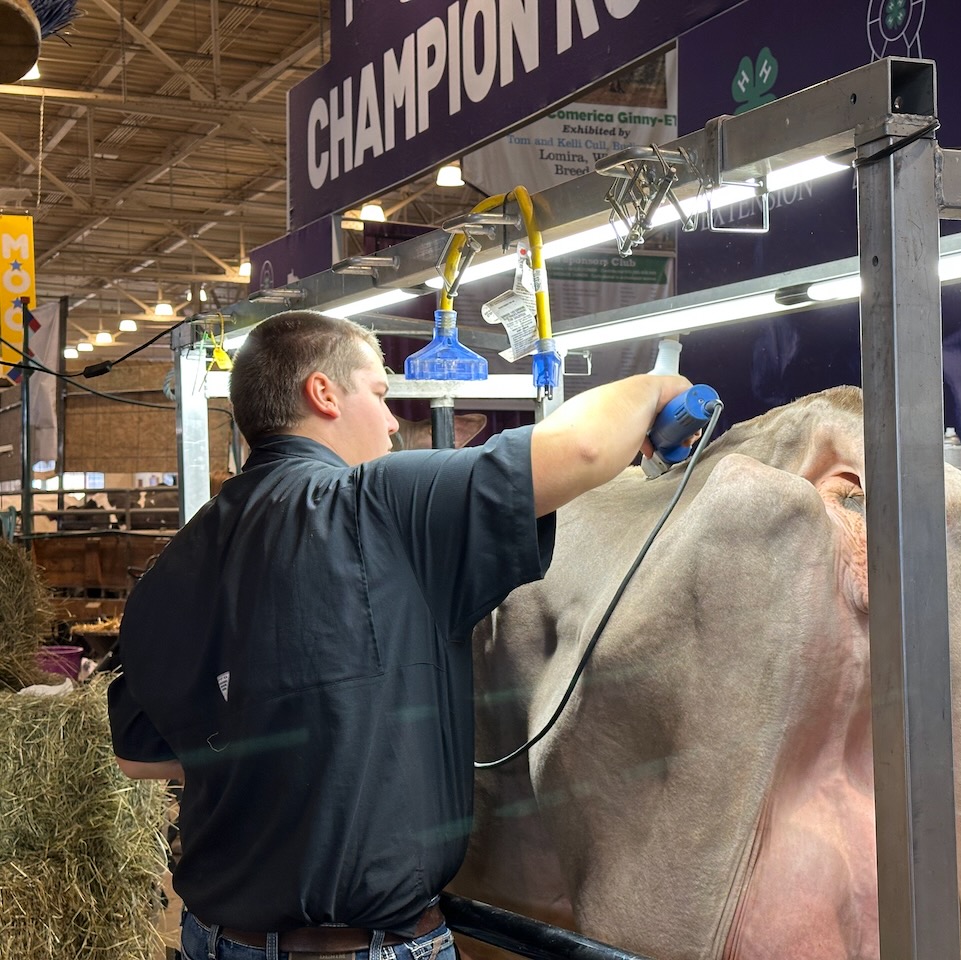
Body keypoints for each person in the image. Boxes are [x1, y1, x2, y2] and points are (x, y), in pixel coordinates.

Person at [107, 309, 693, 960]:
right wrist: (656, 390)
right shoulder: (377, 502)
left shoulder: (170, 567)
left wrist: (268, 750)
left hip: (213, 940)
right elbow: (581, 450)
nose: (391, 422)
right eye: (380, 394)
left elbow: (138, 755)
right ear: (323, 393)